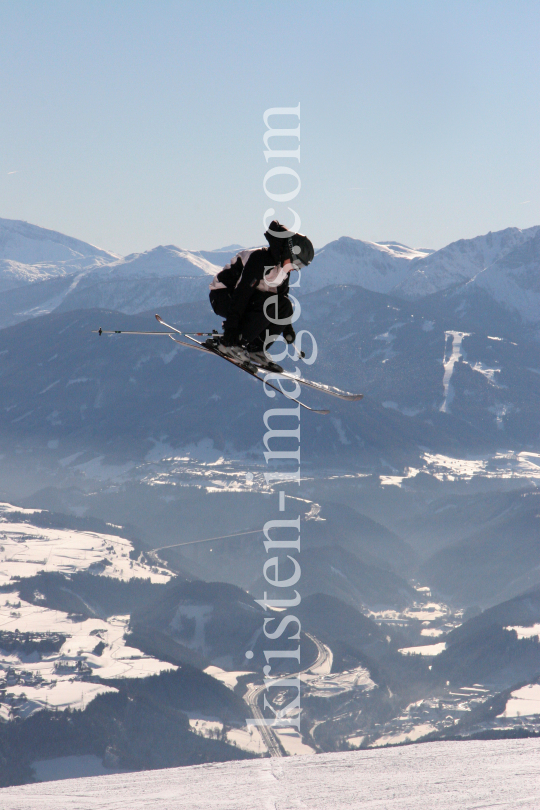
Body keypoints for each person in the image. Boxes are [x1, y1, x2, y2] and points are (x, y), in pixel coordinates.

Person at [207, 220, 314, 365]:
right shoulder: (260, 260)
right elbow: (242, 294)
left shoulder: (283, 271)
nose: (296, 268)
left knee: (284, 305)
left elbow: (282, 301)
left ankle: (256, 348)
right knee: (268, 304)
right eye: (297, 263)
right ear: (289, 252)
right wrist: (231, 329)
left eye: (301, 266)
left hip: (247, 299)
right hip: (223, 296)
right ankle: (232, 344)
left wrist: (287, 328)